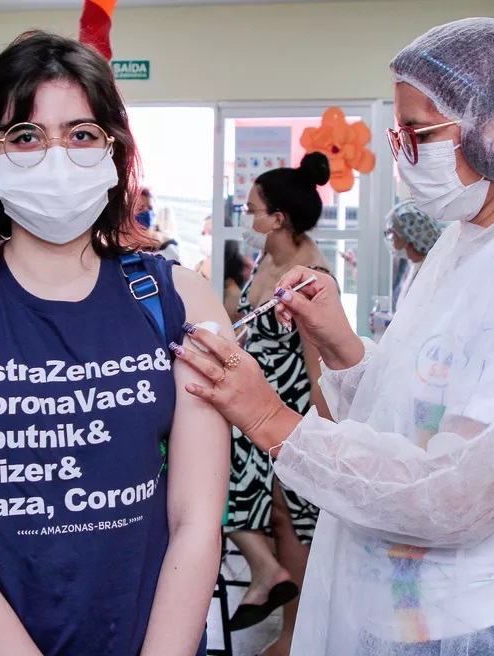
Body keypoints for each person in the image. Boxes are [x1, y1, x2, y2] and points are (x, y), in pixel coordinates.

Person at [171, 18, 494, 656]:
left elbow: (462, 491)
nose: (403, 154)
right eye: (397, 135)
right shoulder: (467, 243)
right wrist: (340, 344)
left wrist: (269, 419)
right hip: (420, 605)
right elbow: (421, 406)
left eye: (419, 133)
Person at [0, 31, 229, 656]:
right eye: (26, 136)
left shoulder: (180, 301)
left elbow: (196, 523)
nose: (57, 156)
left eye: (81, 134)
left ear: (114, 151)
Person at [225, 153, 332, 655]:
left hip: (288, 406)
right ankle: (268, 577)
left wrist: (326, 429)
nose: (248, 220)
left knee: (294, 520)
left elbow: (317, 363)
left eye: (253, 211)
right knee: (264, 511)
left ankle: (293, 634)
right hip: (253, 401)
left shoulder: (309, 275)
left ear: (278, 218)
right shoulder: (267, 262)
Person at [384, 200, 442, 308]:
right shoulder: (412, 266)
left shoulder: (432, 274)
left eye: (394, 234)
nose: (392, 240)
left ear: (409, 236)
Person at [136, 188, 181, 262]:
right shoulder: (126, 244)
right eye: (140, 208)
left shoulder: (168, 247)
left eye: (150, 208)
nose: (146, 211)